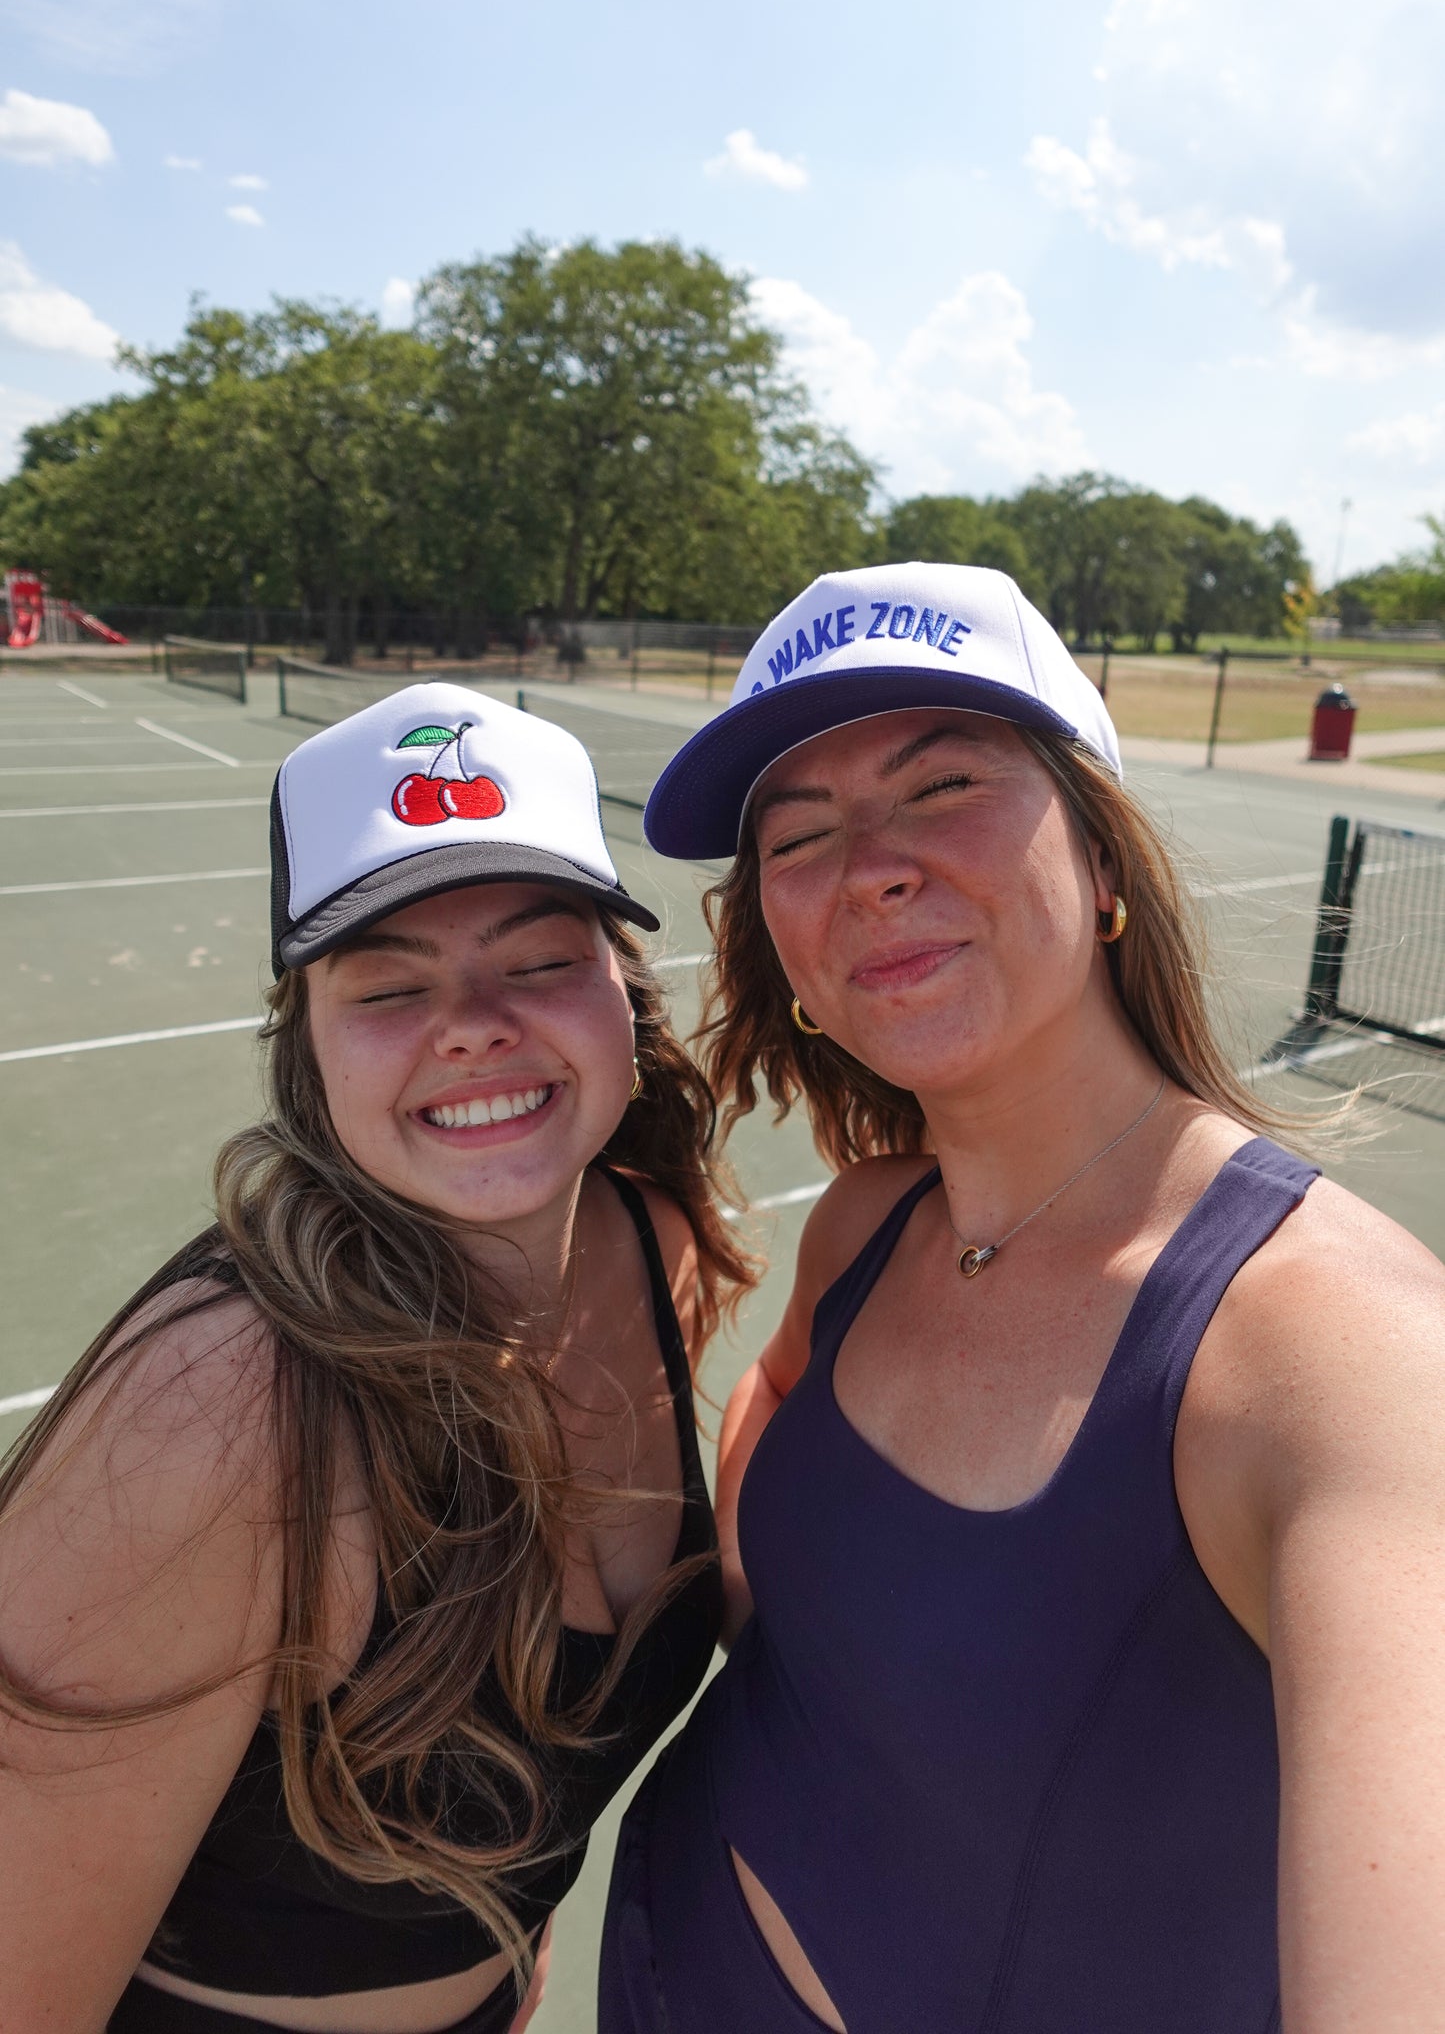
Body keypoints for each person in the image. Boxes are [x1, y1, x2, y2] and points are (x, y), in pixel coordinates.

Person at [599, 563, 1445, 2034]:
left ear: (1104, 863)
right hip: (668, 1955)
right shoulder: (869, 1222)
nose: (867, 865)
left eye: (942, 787)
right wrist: (801, 1620)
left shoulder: (1335, 1346)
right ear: (781, 947)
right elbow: (778, 1392)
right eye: (797, 834)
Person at [0, 682, 752, 2034]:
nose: (471, 1022)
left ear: (620, 999)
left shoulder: (649, 1247)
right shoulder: (227, 1410)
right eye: (390, 984)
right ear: (311, 1050)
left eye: (537, 961)